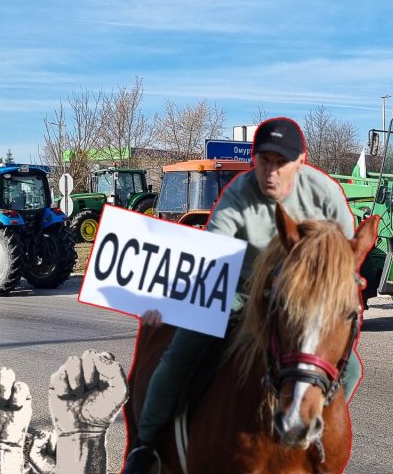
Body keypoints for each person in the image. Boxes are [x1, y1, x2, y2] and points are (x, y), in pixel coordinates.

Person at [123, 117, 363, 474]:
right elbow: (208, 258)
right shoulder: (237, 196)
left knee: (351, 365)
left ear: (300, 161)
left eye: (281, 163)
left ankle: (314, 423)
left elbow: (343, 260)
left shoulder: (324, 194)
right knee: (181, 352)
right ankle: (146, 446)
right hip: (237, 297)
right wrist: (167, 300)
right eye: (263, 161)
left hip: (299, 305)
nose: (271, 172)